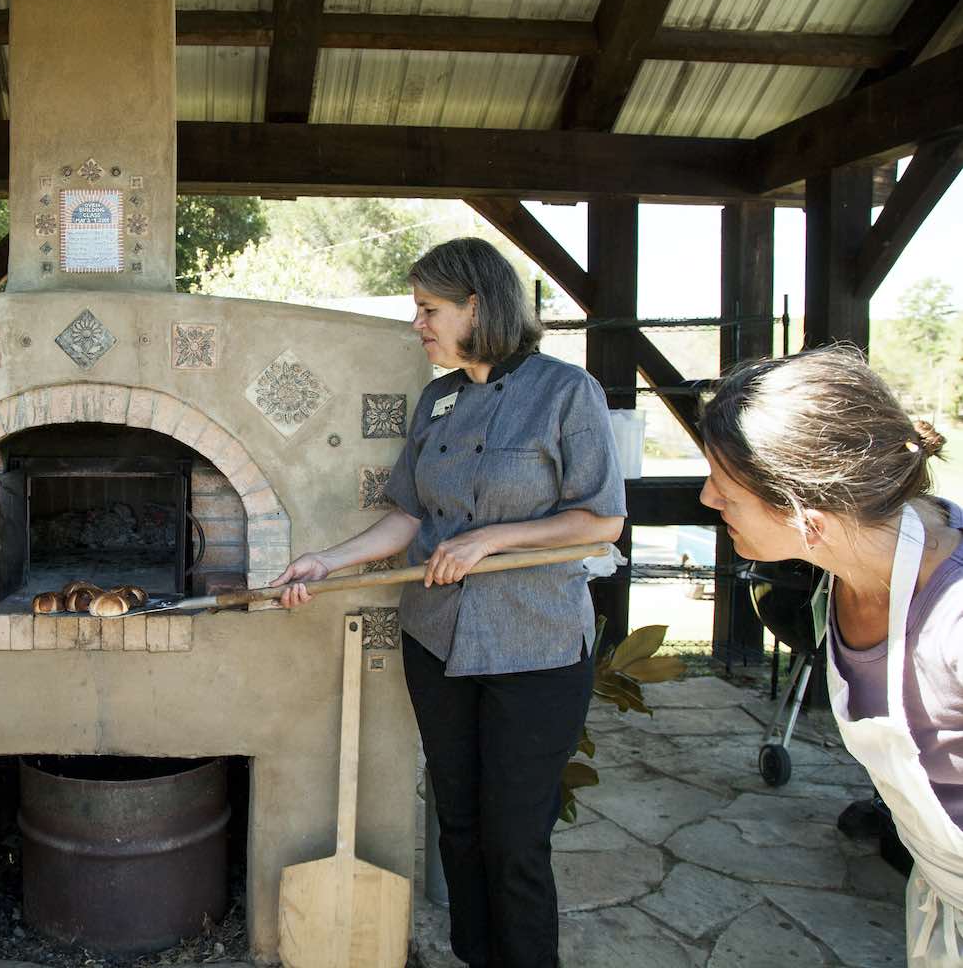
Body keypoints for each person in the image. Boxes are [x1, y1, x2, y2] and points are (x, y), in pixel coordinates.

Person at [273, 237, 625, 967]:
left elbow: (601, 520)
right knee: (459, 825)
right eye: (416, 310)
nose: (418, 325)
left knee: (515, 838)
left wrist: (490, 540)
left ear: (477, 305)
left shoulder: (566, 392)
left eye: (429, 310)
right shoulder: (439, 399)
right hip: (436, 641)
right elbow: (408, 516)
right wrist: (324, 560)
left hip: (535, 648)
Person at [699, 346, 960, 965]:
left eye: (726, 489)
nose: (708, 499)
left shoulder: (952, 623)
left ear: (807, 519)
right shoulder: (858, 553)